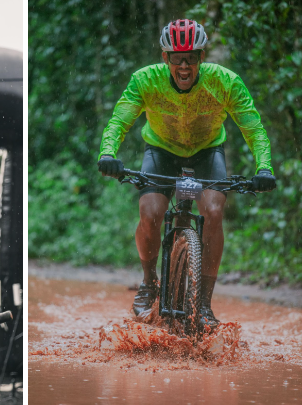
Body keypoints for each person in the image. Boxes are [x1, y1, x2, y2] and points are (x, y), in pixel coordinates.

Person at [97, 19, 276, 330]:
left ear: (201, 58)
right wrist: (108, 153)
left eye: (190, 57)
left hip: (207, 152)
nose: (184, 66)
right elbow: (118, 121)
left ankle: (204, 303)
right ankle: (149, 282)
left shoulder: (226, 82)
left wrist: (264, 167)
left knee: (214, 211)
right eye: (177, 58)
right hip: (161, 151)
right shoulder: (145, 80)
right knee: (151, 212)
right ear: (165, 58)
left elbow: (254, 130)